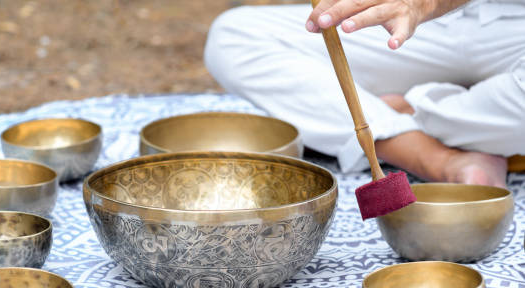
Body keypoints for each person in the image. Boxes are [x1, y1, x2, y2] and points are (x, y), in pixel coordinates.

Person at [204, 0, 525, 187]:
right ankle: (439, 158)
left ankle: (407, 110)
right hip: (419, 25)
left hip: (511, 28)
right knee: (234, 35)